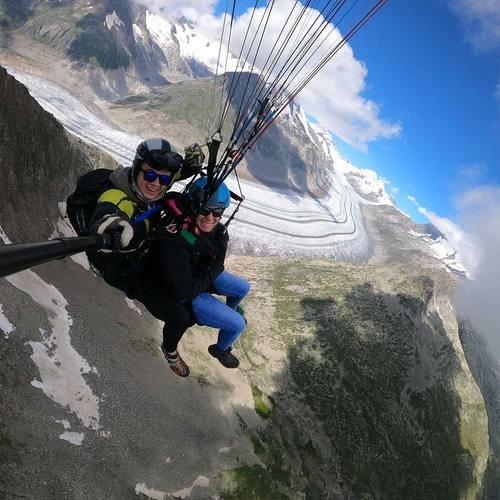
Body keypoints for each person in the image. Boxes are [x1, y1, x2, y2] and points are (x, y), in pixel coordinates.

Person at [137, 177, 250, 377]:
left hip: (201, 272)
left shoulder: (209, 228)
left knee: (243, 288)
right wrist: (215, 268)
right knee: (238, 324)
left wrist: (215, 262)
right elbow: (186, 290)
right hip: (187, 294)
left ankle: (227, 313)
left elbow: (218, 244)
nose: (211, 217)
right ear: (192, 206)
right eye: (205, 209)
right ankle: (220, 349)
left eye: (218, 211)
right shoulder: (174, 239)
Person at [88, 137, 202, 295]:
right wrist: (112, 225)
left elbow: (176, 175)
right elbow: (109, 209)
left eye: (163, 179)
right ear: (136, 169)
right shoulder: (117, 194)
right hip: (122, 272)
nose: (156, 183)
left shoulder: (157, 183)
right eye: (149, 176)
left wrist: (192, 166)